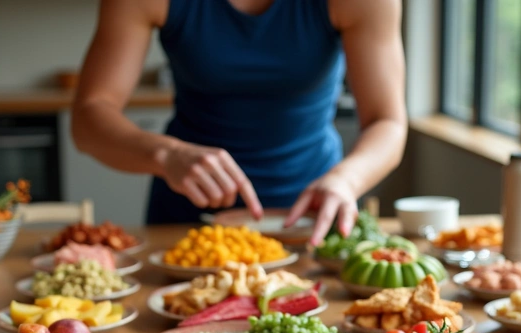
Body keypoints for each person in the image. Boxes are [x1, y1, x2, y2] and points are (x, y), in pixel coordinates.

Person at [72, 0, 407, 245]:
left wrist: (346, 180)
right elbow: (89, 118)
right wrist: (166, 154)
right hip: (190, 223)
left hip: (312, 222)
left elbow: (387, 121)